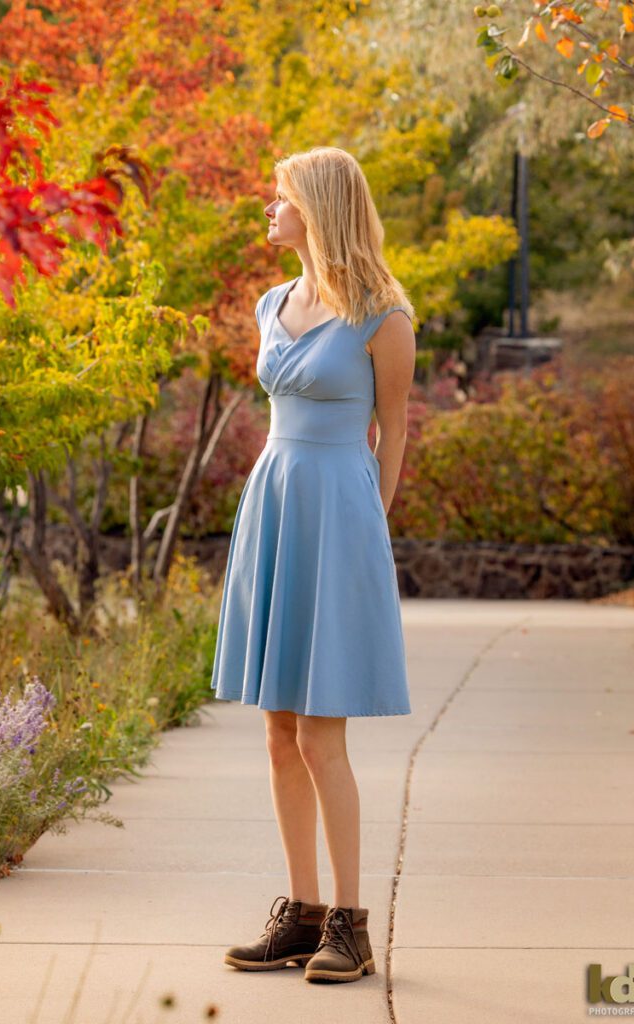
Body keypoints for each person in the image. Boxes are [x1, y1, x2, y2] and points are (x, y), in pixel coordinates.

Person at [210, 146, 416, 984]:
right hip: (275, 506)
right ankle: (298, 916)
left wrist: (371, 525)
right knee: (276, 730)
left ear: (317, 206)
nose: (269, 208)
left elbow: (393, 431)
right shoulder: (271, 302)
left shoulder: (382, 313)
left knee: (322, 733)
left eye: (280, 197)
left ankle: (350, 924)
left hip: (338, 514)